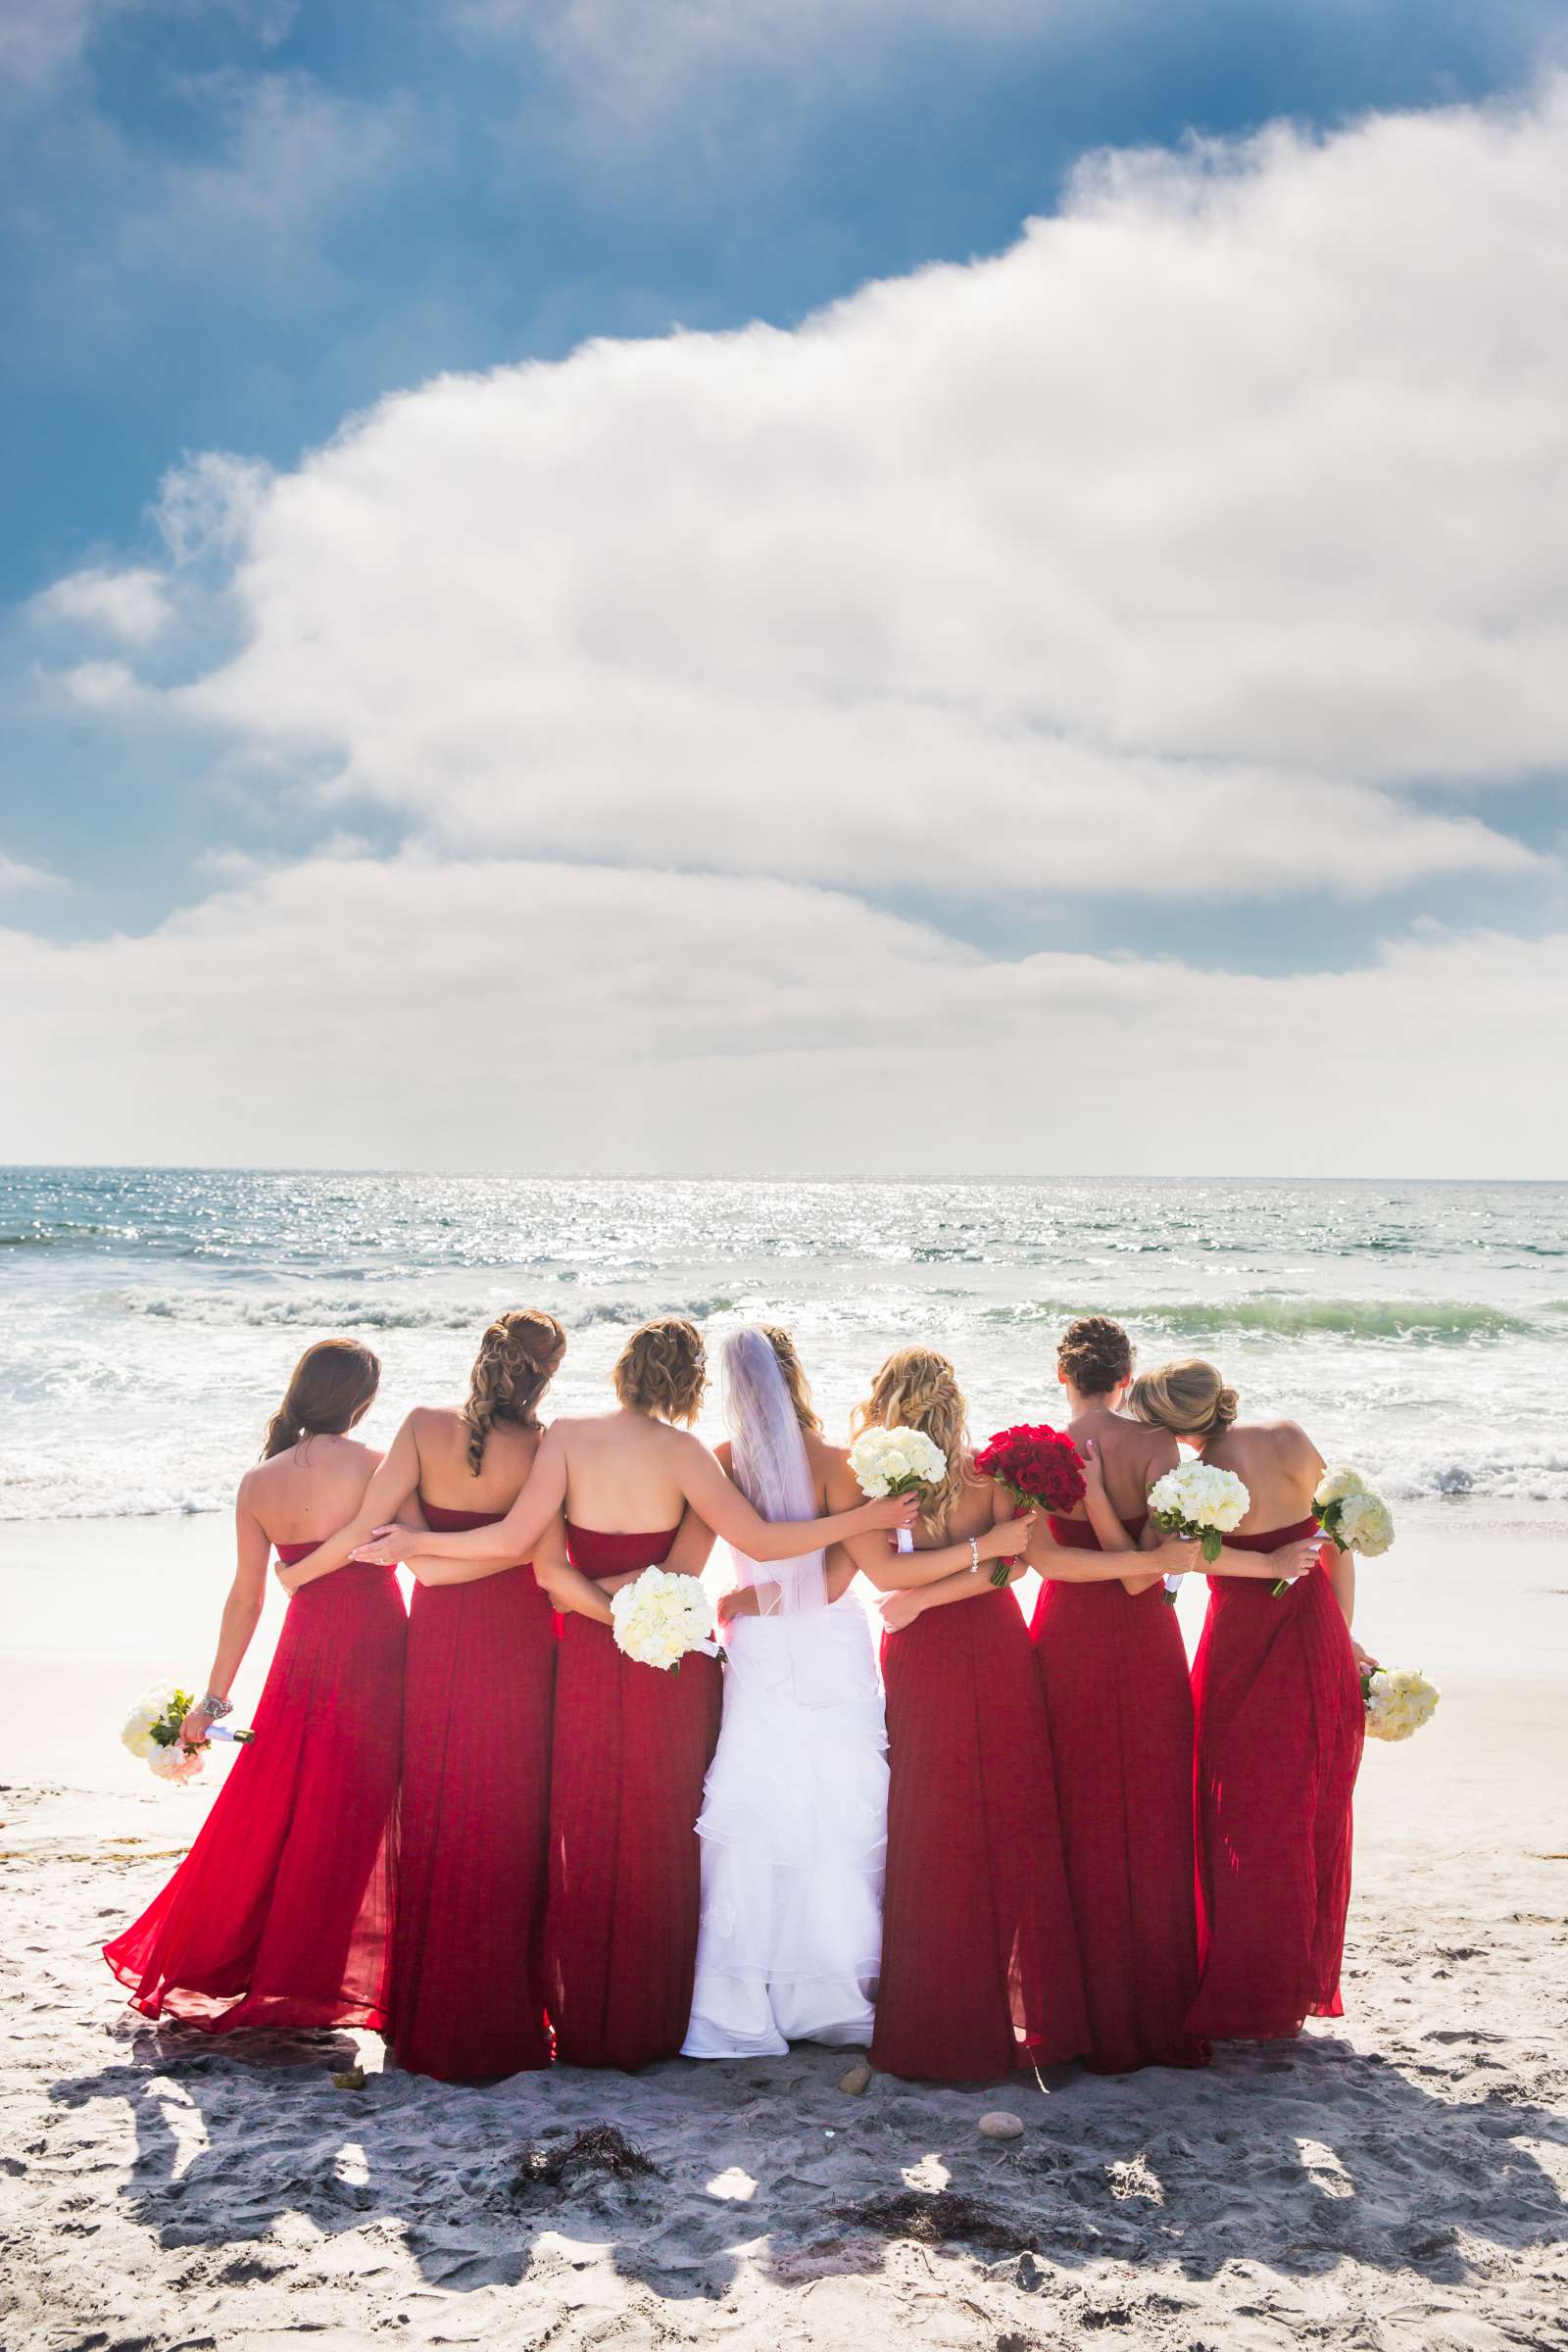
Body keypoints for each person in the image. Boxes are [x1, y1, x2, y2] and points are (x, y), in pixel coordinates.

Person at [358, 1315, 918, 2069]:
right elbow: (757, 1543)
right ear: (689, 1385)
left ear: (622, 1368)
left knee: (580, 1830)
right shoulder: (688, 1456)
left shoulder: (565, 1438)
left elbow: (540, 1564)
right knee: (659, 1835)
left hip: (587, 1661)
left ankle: (583, 2019)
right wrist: (866, 1518)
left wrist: (422, 1545)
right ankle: (648, 2024)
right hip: (665, 1664)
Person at [104, 1340, 409, 2032]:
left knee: (287, 1795)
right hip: (380, 1640)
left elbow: (246, 1598)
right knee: (363, 1798)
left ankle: (273, 1963)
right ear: (361, 1401)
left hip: (305, 1649)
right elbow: (406, 1543)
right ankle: (324, 1970)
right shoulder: (381, 1464)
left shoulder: (258, 1481)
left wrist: (215, 1699)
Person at [1129, 1357, 1368, 2039]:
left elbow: (1184, 1557)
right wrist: (1340, 1637)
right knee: (1305, 1803)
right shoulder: (1291, 1436)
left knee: (1238, 1805)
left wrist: (1262, 1567)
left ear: (1173, 1424)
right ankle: (1290, 1980)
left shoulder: (1197, 1478)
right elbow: (1335, 1543)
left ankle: (1246, 1976)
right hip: (1316, 1622)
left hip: (1244, 1634)